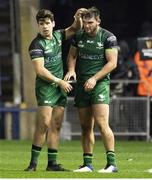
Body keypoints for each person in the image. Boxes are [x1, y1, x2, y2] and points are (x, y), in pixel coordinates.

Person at [25, 8, 87, 172]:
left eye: (47, 23)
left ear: (53, 23)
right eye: (41, 24)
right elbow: (40, 70)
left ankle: (52, 164)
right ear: (38, 26)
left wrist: (77, 17)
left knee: (56, 125)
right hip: (46, 87)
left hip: (60, 87)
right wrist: (59, 81)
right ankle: (33, 164)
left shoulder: (59, 36)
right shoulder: (36, 44)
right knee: (44, 124)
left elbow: (75, 28)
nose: (44, 26)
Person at [64, 7, 118, 173]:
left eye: (90, 23)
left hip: (99, 84)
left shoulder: (108, 37)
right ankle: (87, 164)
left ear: (98, 21)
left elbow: (112, 63)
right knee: (86, 127)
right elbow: (72, 56)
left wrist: (94, 78)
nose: (87, 26)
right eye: (85, 23)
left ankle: (111, 164)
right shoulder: (79, 35)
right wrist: (71, 70)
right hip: (81, 85)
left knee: (102, 123)